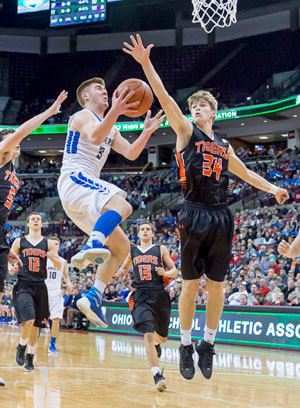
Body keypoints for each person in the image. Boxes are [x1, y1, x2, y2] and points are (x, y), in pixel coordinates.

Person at [123, 33, 289, 380]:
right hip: (193, 211)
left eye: (203, 105)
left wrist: (274, 188)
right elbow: (166, 98)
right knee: (189, 284)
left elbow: (245, 174)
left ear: (213, 112)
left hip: (221, 215)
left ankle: (207, 344)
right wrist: (145, 64)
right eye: (194, 105)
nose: (196, 107)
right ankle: (185, 344)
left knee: (218, 285)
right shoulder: (186, 132)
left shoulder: (225, 145)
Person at [57, 77, 164, 328]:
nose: (105, 91)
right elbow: (94, 137)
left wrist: (146, 131)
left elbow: (131, 153)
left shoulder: (112, 127)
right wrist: (116, 110)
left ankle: (94, 296)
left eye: (105, 89)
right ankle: (92, 243)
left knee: (122, 247)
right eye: (98, 89)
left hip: (81, 194)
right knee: (123, 204)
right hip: (75, 178)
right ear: (85, 96)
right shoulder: (82, 116)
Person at [0, 91, 67, 385]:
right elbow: (23, 131)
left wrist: (6, 248)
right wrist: (50, 111)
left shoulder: (13, 168)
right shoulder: (1, 154)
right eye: (14, 140)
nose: (19, 143)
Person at [118, 221, 177, 391]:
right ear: (138, 234)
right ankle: (157, 374)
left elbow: (175, 271)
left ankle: (158, 345)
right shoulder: (133, 251)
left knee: (162, 337)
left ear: (152, 234)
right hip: (141, 295)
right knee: (148, 335)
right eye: (142, 229)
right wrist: (119, 273)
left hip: (159, 295)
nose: (145, 231)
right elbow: (123, 270)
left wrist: (166, 273)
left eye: (148, 229)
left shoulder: (161, 249)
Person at [10, 212, 61, 371]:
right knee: (29, 319)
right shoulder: (19, 242)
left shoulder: (49, 244)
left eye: (38, 219)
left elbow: (59, 266)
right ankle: (21, 345)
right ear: (28, 223)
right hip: (24, 284)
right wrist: (11, 267)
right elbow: (10, 259)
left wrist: (54, 259)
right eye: (33, 219)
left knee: (37, 324)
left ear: (41, 223)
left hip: (40, 286)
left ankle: (30, 356)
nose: (36, 220)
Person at [45, 236, 71, 353]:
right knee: (38, 319)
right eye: (52, 244)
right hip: (43, 291)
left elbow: (65, 275)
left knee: (56, 319)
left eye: (56, 244)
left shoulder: (63, 261)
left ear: (59, 246)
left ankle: (52, 344)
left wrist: (69, 284)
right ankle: (32, 343)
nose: (54, 245)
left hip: (56, 292)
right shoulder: (43, 259)